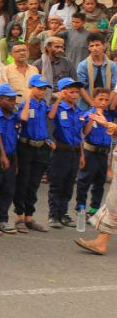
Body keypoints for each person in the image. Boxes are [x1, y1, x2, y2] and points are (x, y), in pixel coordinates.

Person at [13, 74, 53, 233]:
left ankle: (29, 216)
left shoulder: (43, 105)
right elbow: (23, 118)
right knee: (23, 182)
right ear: (31, 88)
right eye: (39, 88)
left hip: (40, 147)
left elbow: (50, 117)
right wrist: (28, 97)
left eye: (44, 89)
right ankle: (20, 217)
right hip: (26, 147)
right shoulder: (25, 105)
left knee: (34, 183)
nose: (42, 91)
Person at [46, 78, 84, 228]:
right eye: (72, 91)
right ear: (63, 91)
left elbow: (80, 134)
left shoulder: (79, 111)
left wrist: (81, 155)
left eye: (77, 92)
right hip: (60, 151)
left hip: (74, 152)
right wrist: (58, 99)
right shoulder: (57, 108)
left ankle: (63, 213)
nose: (75, 95)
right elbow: (49, 117)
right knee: (57, 183)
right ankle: (53, 214)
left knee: (69, 184)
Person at [0, 84, 22, 234]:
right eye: (9, 99)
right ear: (0, 99)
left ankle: (2, 219)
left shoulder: (15, 116)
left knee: (8, 189)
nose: (12, 102)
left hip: (11, 155)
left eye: (14, 99)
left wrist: (15, 161)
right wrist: (3, 155)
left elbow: (15, 139)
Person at [77, 87, 114, 216]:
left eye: (106, 100)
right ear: (94, 100)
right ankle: (80, 207)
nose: (103, 102)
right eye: (100, 99)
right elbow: (85, 132)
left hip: (104, 154)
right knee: (84, 180)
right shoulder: (87, 114)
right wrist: (94, 117)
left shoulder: (109, 116)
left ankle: (94, 209)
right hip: (90, 152)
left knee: (100, 182)